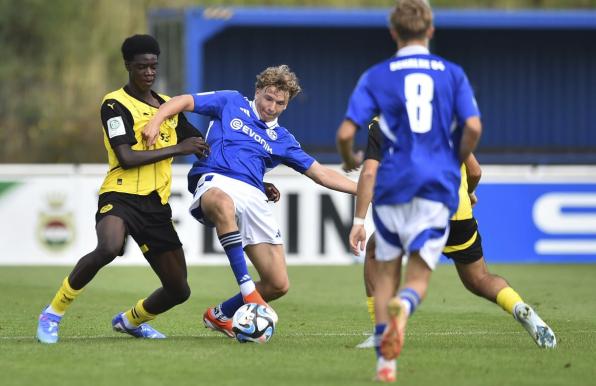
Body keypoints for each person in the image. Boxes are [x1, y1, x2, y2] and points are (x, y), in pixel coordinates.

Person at [143, 64, 357, 339]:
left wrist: (363, 191)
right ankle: (248, 291)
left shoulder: (283, 140)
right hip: (215, 179)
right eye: (268, 98)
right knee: (221, 201)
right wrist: (156, 120)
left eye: (280, 103)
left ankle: (220, 314)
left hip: (254, 195)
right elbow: (184, 101)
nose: (272, 106)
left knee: (278, 284)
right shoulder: (230, 101)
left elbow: (321, 174)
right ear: (257, 92)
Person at [336, 0, 483, 381]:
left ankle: (386, 365)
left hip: (392, 188)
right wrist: (457, 157)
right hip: (437, 189)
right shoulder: (452, 74)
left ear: (393, 32)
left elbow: (345, 134)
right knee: (417, 276)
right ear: (430, 31)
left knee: (385, 273)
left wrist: (347, 156)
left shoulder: (377, 75)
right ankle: (406, 304)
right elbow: (473, 127)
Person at [35, 34, 211, 344]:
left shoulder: (168, 107)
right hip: (120, 195)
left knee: (179, 290)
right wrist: (178, 149)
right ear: (128, 65)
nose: (149, 73)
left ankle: (131, 321)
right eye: (142, 66)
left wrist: (253, 177)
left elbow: (201, 146)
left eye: (154, 66)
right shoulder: (114, 104)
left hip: (156, 206)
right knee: (109, 247)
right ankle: (52, 313)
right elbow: (127, 158)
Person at [346, 121, 556, 352]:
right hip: (459, 214)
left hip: (418, 212)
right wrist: (468, 193)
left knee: (375, 251)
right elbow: (475, 171)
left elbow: (369, 173)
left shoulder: (382, 121)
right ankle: (518, 306)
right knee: (479, 279)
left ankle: (382, 332)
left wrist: (359, 221)